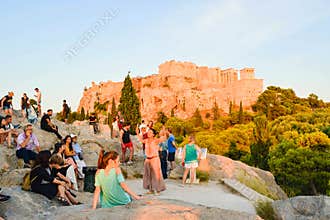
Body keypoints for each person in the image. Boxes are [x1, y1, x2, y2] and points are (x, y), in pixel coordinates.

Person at [138, 128, 166, 195]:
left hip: (155, 159)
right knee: (148, 174)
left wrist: (164, 132)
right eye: (148, 132)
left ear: (153, 134)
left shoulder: (155, 140)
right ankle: (151, 190)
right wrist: (137, 132)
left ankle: (158, 190)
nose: (148, 133)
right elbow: (141, 140)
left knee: (156, 175)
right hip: (147, 159)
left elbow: (163, 138)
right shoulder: (146, 140)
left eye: (150, 132)